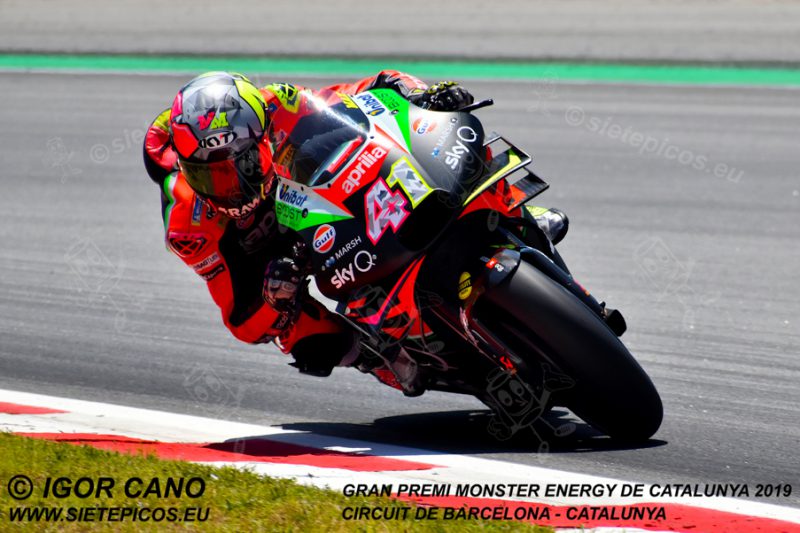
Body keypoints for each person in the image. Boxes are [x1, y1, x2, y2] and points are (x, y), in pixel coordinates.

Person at [142, 70, 568, 379]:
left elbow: (365, 94)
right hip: (278, 258)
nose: (228, 187)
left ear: (261, 138)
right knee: (313, 342)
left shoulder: (277, 104)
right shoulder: (189, 227)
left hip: (327, 205)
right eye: (208, 175)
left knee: (447, 158)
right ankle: (383, 358)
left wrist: (421, 95)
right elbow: (240, 319)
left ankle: (514, 215)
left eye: (241, 165)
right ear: (184, 166)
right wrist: (274, 299)